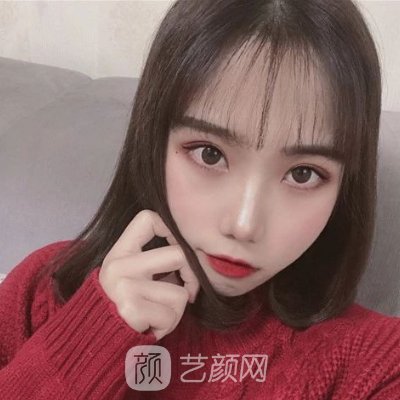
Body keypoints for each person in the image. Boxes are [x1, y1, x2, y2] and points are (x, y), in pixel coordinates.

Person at [0, 0, 399, 398]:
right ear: (154, 142)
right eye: (210, 154)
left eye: (302, 174)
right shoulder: (46, 288)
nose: (243, 224)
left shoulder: (375, 364)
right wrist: (89, 341)